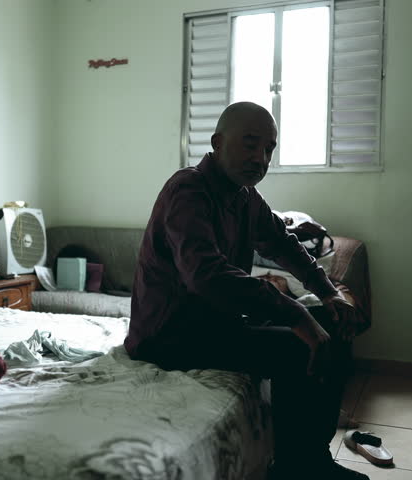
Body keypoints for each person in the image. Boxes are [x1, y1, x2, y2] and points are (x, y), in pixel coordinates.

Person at [125, 102, 368, 479]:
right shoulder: (187, 191)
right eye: (250, 144)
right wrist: (293, 312)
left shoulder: (244, 197)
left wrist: (326, 291)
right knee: (296, 345)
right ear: (217, 142)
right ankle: (295, 468)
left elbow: (283, 243)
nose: (261, 158)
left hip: (212, 323)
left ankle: (313, 459)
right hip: (170, 335)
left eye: (269, 148)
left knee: (330, 322)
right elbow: (206, 275)